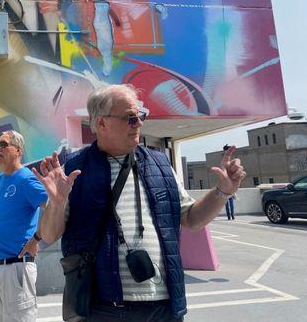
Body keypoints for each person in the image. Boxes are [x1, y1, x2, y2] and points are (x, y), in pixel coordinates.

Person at [35, 84, 246, 322]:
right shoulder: (73, 170)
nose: (139, 124)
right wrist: (56, 202)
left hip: (164, 306)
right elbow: (49, 235)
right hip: (100, 308)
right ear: (101, 123)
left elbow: (192, 219)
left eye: (139, 117)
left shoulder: (160, 165)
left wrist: (222, 191)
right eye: (130, 118)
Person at [0, 131, 48, 322]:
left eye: (3, 144)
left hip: (15, 269)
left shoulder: (26, 179)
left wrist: (37, 239)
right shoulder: (2, 180)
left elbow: (54, 206)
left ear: (18, 150)